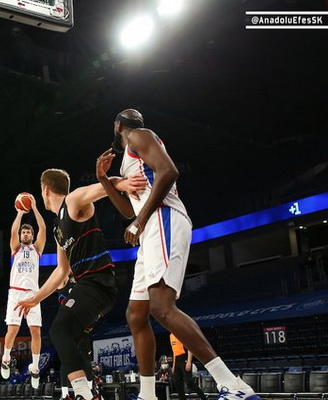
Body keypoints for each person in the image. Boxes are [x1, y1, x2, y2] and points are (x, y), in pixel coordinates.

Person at [96, 109, 259, 400]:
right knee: (136, 314)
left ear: (117, 126)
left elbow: (169, 171)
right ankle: (148, 395)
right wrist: (105, 180)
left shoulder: (138, 136)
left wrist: (140, 221)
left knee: (161, 307)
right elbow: (128, 210)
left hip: (163, 219)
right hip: (150, 227)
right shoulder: (130, 159)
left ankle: (233, 385)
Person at [16, 168, 145, 400]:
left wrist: (123, 184)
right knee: (71, 341)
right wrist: (35, 299)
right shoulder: (57, 229)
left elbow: (100, 188)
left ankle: (84, 395)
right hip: (90, 288)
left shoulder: (73, 201)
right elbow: (61, 271)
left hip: (97, 282)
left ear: (45, 190)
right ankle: (87, 392)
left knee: (59, 331)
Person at [1, 194, 46, 389]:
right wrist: (19, 213)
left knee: (36, 332)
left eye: (28, 232)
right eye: (24, 232)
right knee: (13, 330)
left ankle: (35, 368)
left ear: (32, 236)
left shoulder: (37, 249)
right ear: (21, 236)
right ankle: (5, 358)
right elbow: (13, 231)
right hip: (16, 293)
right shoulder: (16, 249)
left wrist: (34, 208)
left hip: (33, 294)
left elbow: (43, 228)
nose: (26, 234)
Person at [170, 333, 207, 400]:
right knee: (177, 383)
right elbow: (174, 352)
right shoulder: (171, 336)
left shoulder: (181, 333)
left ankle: (204, 398)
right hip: (177, 360)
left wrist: (189, 362)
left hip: (184, 358)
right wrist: (173, 365)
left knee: (189, 382)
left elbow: (189, 348)